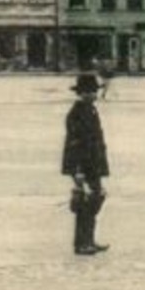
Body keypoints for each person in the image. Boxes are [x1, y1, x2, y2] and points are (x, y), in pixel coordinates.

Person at [62, 73, 111, 256]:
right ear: (81, 93)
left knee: (95, 199)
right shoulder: (77, 113)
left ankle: (88, 240)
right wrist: (78, 170)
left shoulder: (90, 110)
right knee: (85, 203)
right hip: (83, 165)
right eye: (90, 92)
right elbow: (75, 143)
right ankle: (81, 244)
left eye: (94, 91)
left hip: (93, 164)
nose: (94, 95)